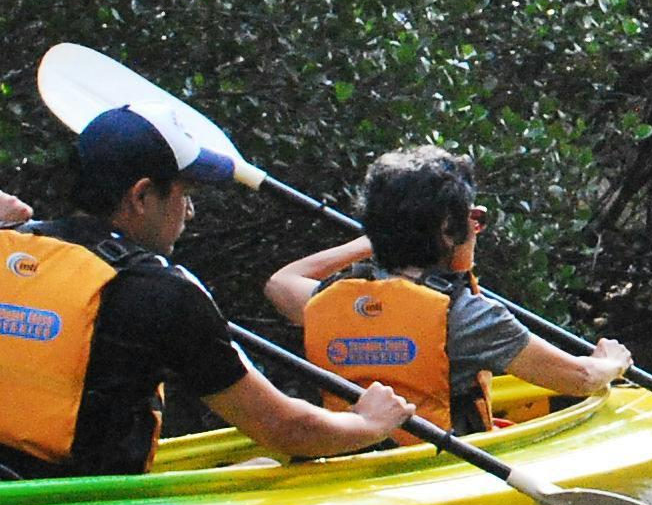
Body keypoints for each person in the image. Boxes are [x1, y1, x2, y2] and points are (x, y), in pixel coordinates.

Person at [0, 105, 410, 481]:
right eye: (185, 194)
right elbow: (287, 430)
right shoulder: (161, 291)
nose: (190, 212)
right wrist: (369, 422)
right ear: (142, 196)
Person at [264, 144, 630, 436]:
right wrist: (610, 363)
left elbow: (281, 283)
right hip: (433, 468)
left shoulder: (332, 299)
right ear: (448, 229)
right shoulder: (467, 317)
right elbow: (578, 379)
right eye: (474, 219)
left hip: (349, 455)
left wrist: (375, 237)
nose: (476, 229)